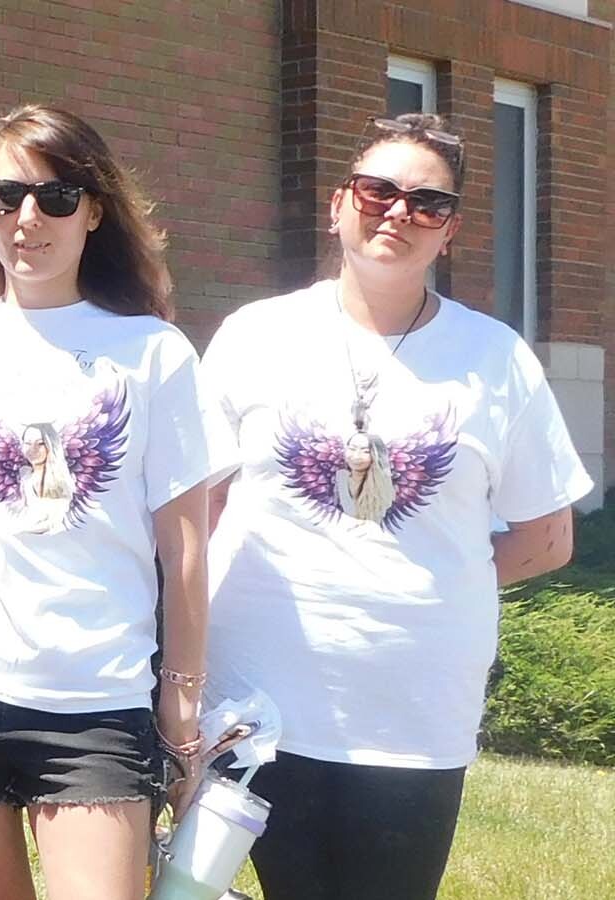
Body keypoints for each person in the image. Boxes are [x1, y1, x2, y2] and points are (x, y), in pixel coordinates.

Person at [200, 112, 592, 900]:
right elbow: (195, 513)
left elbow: (548, 538)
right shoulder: (255, 336)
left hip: (414, 713)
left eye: (427, 202)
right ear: (339, 205)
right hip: (257, 702)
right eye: (377, 191)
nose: (398, 212)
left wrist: (434, 579)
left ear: (450, 232)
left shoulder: (495, 360)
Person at [0, 104, 227, 900]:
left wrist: (182, 698)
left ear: (94, 211)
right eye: (7, 196)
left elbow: (186, 548)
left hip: (96, 698)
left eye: (56, 197)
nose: (28, 218)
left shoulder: (154, 354)